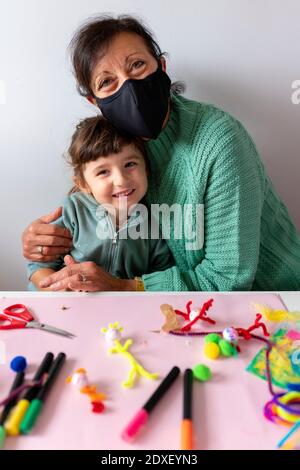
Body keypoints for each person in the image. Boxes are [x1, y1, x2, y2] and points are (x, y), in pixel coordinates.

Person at [22, 15, 300, 292]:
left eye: (137, 65)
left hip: (273, 300)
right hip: (176, 308)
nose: (128, 86)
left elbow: (228, 280)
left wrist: (122, 287)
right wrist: (42, 241)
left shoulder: (219, 141)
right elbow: (85, 206)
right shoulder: (114, 145)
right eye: (107, 82)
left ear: (162, 67)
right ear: (96, 102)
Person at [28, 116, 173, 291]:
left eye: (130, 164)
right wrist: (57, 289)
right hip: (71, 305)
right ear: (83, 184)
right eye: (103, 171)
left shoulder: (154, 219)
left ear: (146, 168)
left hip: (124, 308)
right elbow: (39, 266)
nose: (120, 180)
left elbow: (161, 275)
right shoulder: (73, 211)